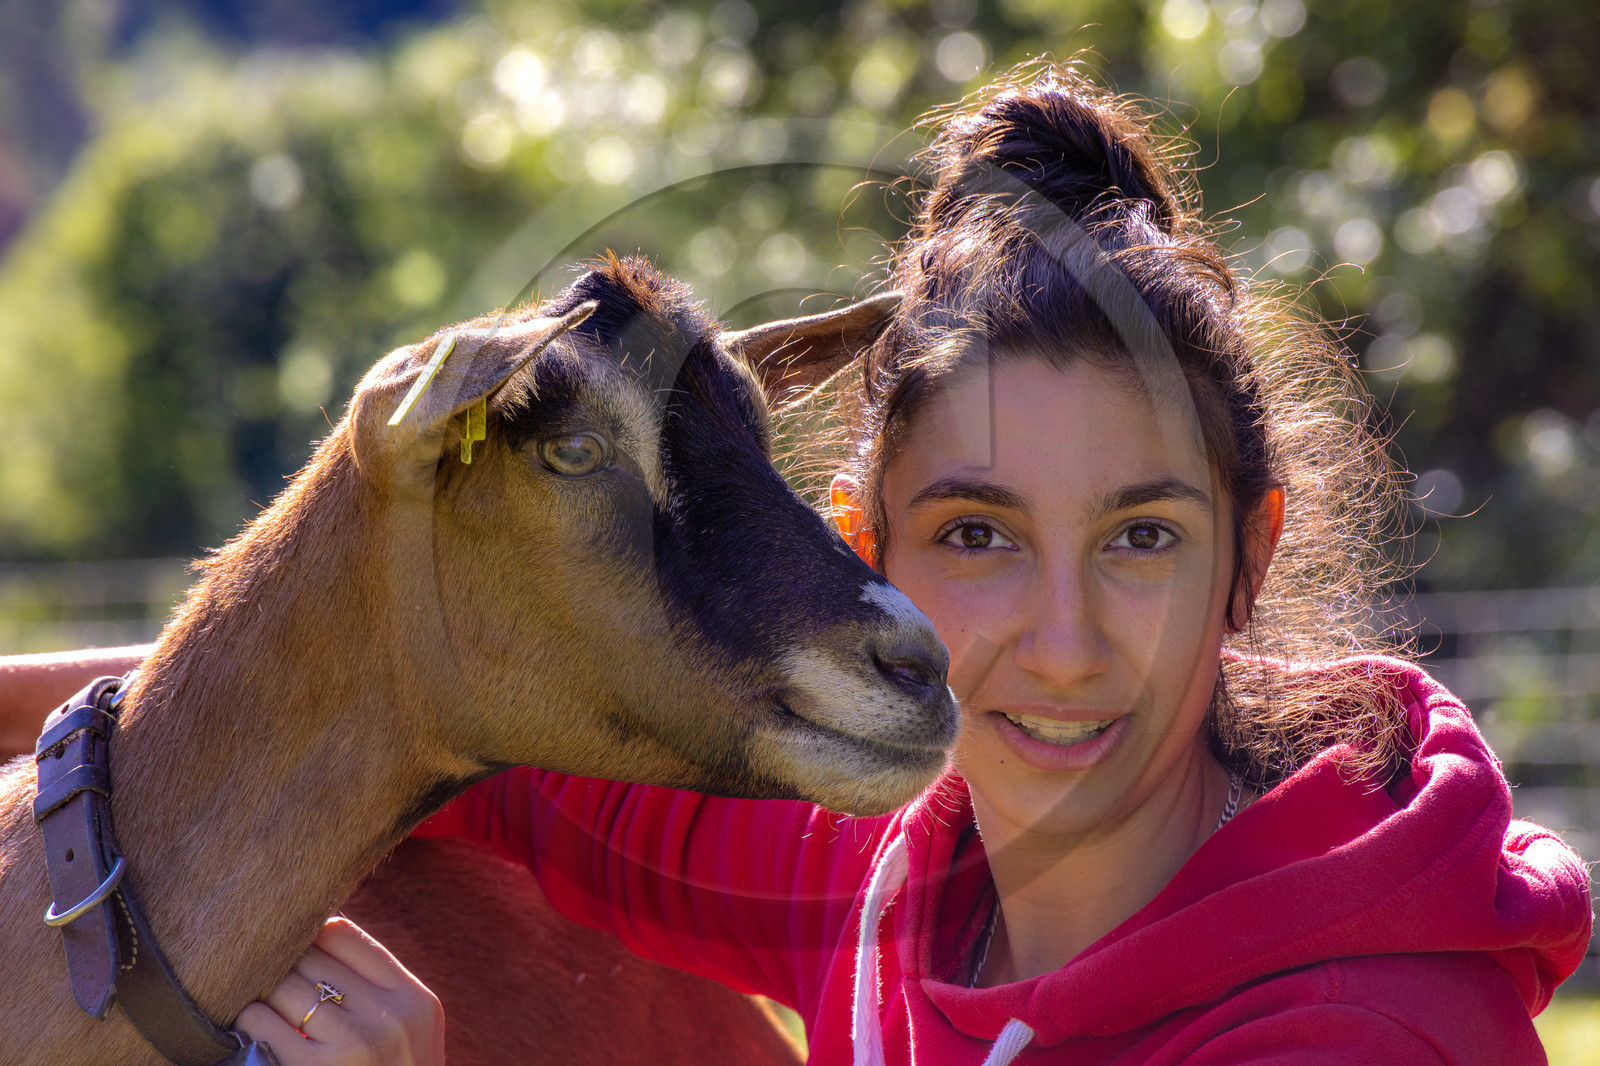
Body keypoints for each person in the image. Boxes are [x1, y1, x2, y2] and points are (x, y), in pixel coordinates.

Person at [8, 65, 1591, 1064]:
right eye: (976, 536)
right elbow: (375, 710)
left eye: (1142, 539)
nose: (1059, 642)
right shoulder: (893, 870)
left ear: (1253, 551)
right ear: (866, 551)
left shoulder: (1364, 1027)